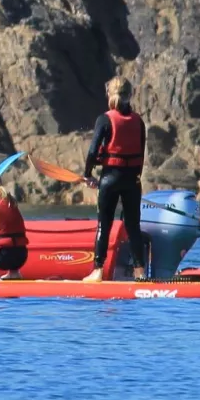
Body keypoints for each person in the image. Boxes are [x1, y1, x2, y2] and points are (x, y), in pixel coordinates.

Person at [82, 76, 150, 282]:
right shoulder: (139, 121)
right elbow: (141, 153)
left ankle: (98, 271)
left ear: (109, 95)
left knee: (104, 225)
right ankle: (140, 273)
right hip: (132, 181)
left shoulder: (104, 119)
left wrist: (87, 175)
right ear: (130, 95)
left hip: (110, 178)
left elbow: (93, 150)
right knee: (133, 227)